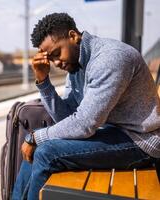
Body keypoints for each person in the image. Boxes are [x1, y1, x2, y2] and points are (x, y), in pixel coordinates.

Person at [12, 13, 160, 200]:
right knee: (38, 145)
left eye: (57, 53)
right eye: (51, 58)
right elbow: (67, 120)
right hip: (114, 133)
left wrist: (35, 137)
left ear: (73, 36)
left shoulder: (110, 58)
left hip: (142, 141)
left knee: (45, 151)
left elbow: (85, 124)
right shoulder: (76, 67)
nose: (56, 63)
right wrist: (43, 82)